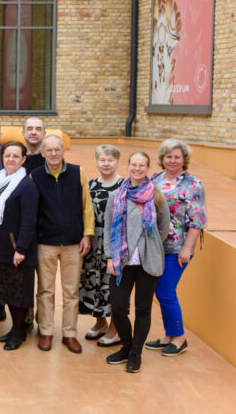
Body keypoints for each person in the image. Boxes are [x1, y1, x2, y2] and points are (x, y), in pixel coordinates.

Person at [103, 152, 170, 373]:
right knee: (119, 306)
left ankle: (135, 353)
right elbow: (107, 228)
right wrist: (111, 256)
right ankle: (127, 345)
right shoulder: (117, 196)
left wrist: (146, 246)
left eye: (142, 165)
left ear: (148, 168)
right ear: (128, 166)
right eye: (134, 164)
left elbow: (163, 230)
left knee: (143, 309)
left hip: (148, 262)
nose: (138, 169)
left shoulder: (157, 196)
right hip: (122, 261)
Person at [30, 135, 94, 354]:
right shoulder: (35, 176)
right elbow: (32, 210)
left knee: (71, 292)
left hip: (73, 243)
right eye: (49, 150)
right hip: (45, 243)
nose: (54, 154)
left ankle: (69, 334)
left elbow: (87, 207)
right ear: (43, 153)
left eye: (58, 149)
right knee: (45, 290)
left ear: (63, 151)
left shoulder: (78, 173)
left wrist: (87, 234)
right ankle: (46, 331)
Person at [146, 138, 207, 357]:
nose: (172, 161)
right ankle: (168, 336)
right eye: (168, 156)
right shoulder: (154, 180)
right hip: (155, 247)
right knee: (160, 293)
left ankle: (179, 337)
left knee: (166, 292)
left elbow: (197, 220)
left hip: (177, 248)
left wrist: (186, 249)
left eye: (177, 157)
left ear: (184, 160)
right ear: (162, 159)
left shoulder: (192, 184)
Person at [0, 141, 38, 350]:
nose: (11, 159)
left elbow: (29, 220)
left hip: (17, 248)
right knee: (7, 290)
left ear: (24, 159)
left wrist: (21, 249)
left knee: (19, 293)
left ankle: (18, 332)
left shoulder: (27, 185)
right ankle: (13, 330)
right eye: (7, 156)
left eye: (16, 156)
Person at [81, 144, 123, 347]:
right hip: (92, 243)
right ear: (97, 161)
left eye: (110, 160)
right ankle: (100, 322)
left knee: (112, 287)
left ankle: (115, 329)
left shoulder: (125, 186)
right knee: (93, 285)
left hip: (114, 246)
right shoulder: (89, 185)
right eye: (102, 160)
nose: (106, 164)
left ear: (117, 162)